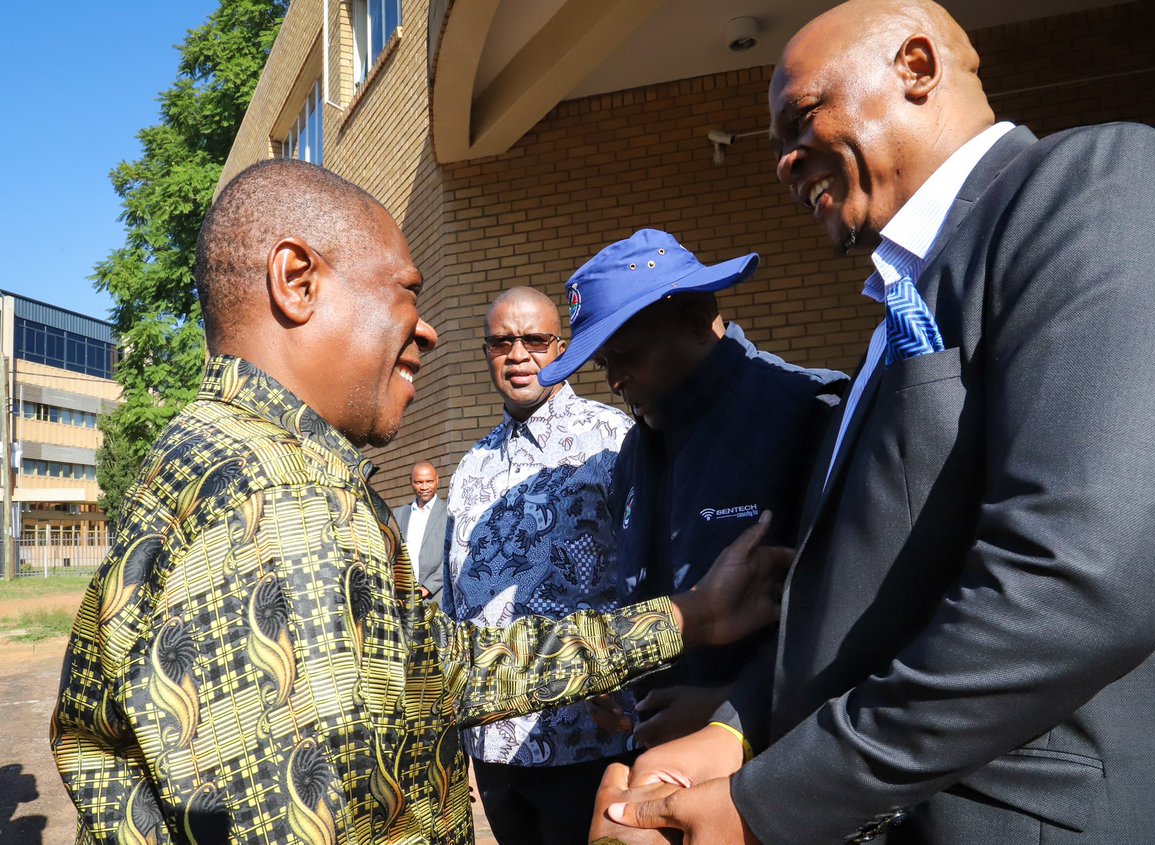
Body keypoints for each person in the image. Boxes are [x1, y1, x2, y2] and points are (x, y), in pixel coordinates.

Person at [48, 159, 792, 845]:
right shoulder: (279, 500)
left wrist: (688, 616)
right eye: (407, 292)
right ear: (297, 280)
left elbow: (436, 666)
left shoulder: (249, 461)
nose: (429, 332)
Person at [598, 1, 1155, 843]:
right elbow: (880, 594)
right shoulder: (900, 310)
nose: (781, 164)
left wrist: (769, 802)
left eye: (800, 118)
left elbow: (1078, 580)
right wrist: (737, 727)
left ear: (916, 67)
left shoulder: (1102, 185)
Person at [537, 229, 846, 748]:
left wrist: (736, 706)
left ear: (699, 316)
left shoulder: (811, 412)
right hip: (661, 762)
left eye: (628, 354)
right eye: (603, 363)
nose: (614, 381)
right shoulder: (636, 450)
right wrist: (623, 677)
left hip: (778, 763)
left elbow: (855, 611)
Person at [443, 286, 637, 845]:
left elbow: (645, 574)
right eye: (502, 343)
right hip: (492, 743)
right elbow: (458, 604)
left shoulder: (610, 440)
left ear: (561, 347)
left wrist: (632, 690)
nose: (518, 354)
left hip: (586, 735)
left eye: (535, 340)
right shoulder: (472, 465)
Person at [393, 460, 447, 602]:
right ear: (411, 482)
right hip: (404, 598)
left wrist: (427, 588)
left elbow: (451, 557)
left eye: (429, 481)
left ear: (437, 480)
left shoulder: (449, 513)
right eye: (419, 482)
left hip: (437, 597)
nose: (424, 487)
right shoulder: (398, 514)